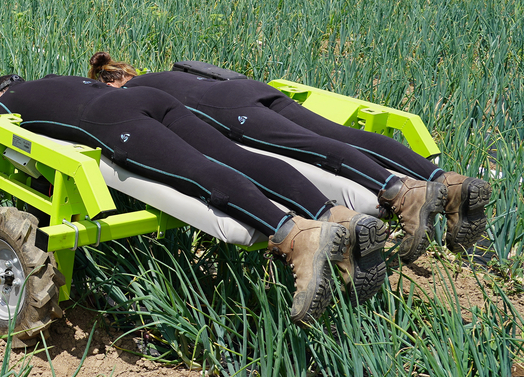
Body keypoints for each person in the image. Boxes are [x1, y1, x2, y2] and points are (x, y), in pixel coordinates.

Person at [0, 73, 385, 324]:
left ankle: (296, 236)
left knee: (193, 170)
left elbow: (13, 146)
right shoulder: (57, 79)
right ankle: (336, 217)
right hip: (150, 100)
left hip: (109, 120)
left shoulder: (4, 105)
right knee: (235, 157)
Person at [87, 53, 490, 263]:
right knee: (339, 134)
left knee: (309, 147)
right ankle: (447, 183)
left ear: (111, 83)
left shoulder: (132, 94)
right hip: (248, 90)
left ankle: (400, 193)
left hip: (228, 112)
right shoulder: (173, 72)